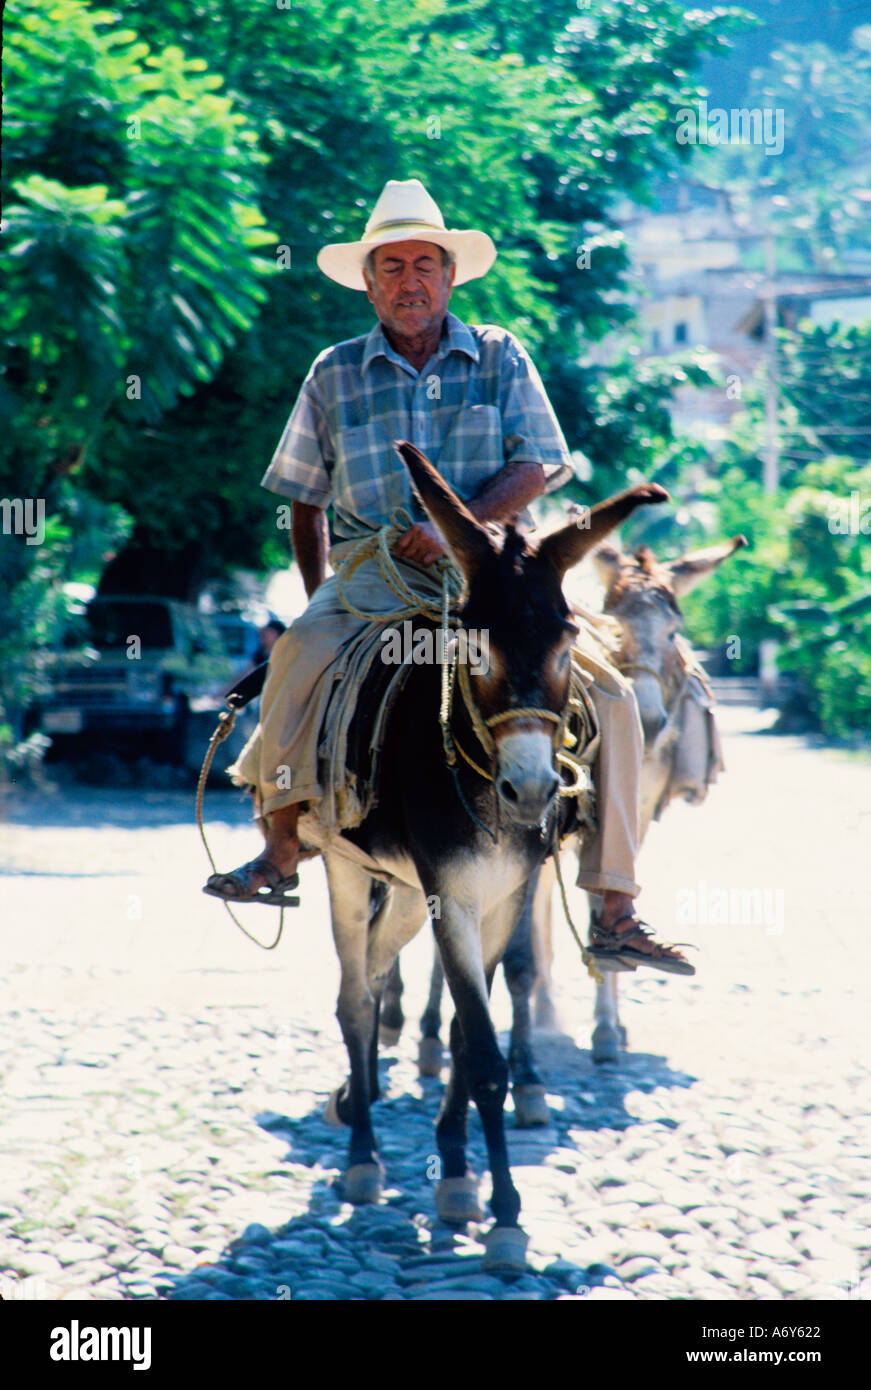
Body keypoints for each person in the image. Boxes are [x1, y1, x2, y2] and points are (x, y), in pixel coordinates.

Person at [203, 179, 693, 975]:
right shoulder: (333, 372)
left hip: (499, 569)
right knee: (295, 660)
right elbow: (303, 498)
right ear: (367, 281)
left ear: (450, 274)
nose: (408, 280)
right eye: (390, 266)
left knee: (610, 693)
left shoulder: (500, 355)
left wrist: (456, 520)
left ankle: (615, 904)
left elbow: (539, 464)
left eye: (423, 263)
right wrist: (319, 594)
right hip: (374, 568)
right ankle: (280, 847)